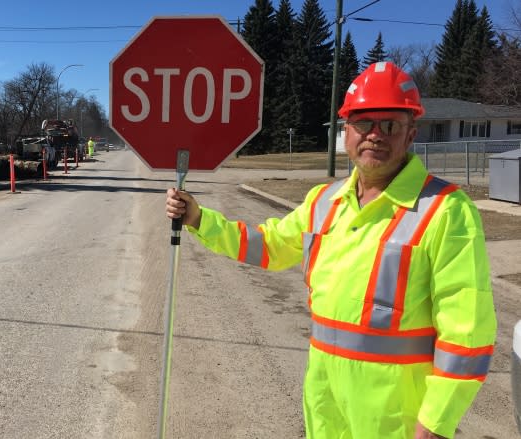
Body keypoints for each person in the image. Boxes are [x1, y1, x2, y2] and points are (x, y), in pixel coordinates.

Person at [164, 62, 496, 439]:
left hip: (396, 420)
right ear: (346, 132)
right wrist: (199, 219)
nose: (374, 135)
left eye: (389, 125)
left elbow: (467, 335)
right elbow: (271, 245)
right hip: (325, 405)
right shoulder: (324, 201)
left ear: (410, 135)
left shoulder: (446, 210)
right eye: (363, 123)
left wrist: (434, 426)